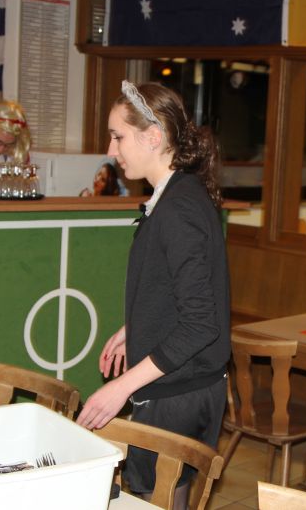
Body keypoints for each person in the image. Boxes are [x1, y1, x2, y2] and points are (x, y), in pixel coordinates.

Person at [76, 81, 230, 509]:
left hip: (180, 392)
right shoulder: (177, 193)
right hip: (182, 385)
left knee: (160, 501)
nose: (111, 149)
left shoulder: (179, 207)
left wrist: (120, 388)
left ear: (153, 136)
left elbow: (200, 323)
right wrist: (136, 326)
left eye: (118, 136)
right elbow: (177, 290)